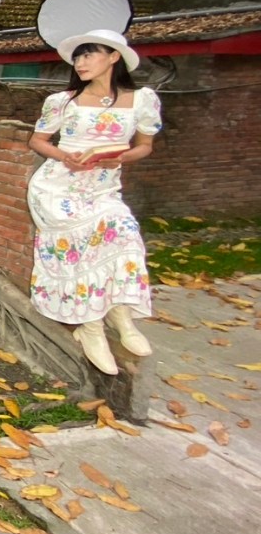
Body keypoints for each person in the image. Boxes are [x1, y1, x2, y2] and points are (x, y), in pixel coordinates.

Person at [28, 29, 162, 375]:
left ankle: (121, 318)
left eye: (90, 54)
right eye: (78, 56)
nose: (81, 62)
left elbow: (145, 146)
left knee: (124, 234)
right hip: (59, 187)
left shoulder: (141, 100)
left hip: (103, 187)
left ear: (114, 57)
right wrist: (64, 155)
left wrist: (121, 158)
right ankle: (90, 327)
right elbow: (38, 140)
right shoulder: (64, 101)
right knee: (83, 247)